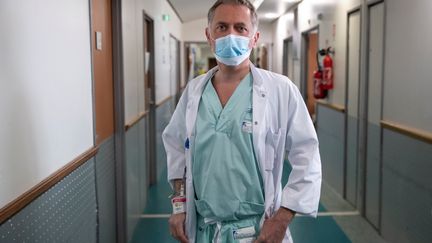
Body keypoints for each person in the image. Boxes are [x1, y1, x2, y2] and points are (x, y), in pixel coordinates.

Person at [162, 0, 321, 242]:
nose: (231, 35)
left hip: (259, 232)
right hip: (204, 231)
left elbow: (307, 154)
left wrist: (282, 217)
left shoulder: (280, 90)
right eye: (222, 27)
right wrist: (179, 205)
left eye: (240, 28)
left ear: (254, 38)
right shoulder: (194, 92)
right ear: (209, 35)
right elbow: (175, 147)